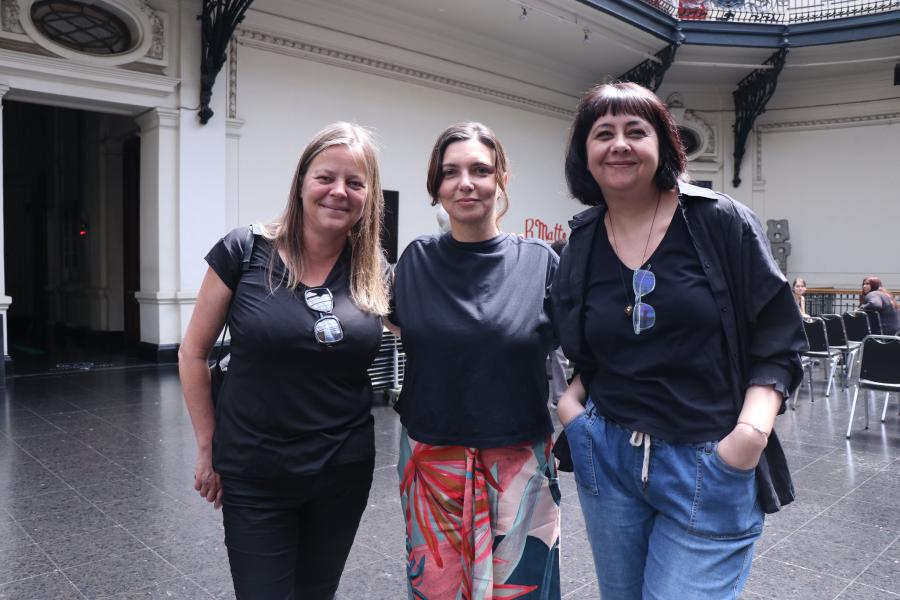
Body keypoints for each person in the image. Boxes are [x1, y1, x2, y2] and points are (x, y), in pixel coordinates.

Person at [552, 82, 806, 599]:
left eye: (635, 131)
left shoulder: (719, 221)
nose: (618, 144)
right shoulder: (581, 239)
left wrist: (749, 436)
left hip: (708, 461)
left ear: (663, 146)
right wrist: (572, 410)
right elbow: (586, 341)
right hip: (609, 454)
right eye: (603, 133)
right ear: (585, 154)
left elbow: (779, 336)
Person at [178, 123, 390, 600]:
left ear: (368, 196)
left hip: (343, 472)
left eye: (355, 183)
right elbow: (192, 353)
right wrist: (208, 448)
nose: (339, 191)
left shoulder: (374, 272)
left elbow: (435, 337)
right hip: (255, 471)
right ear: (301, 183)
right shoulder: (244, 250)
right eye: (326, 178)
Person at [389, 122, 561, 599]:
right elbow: (398, 320)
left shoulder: (540, 261)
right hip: (431, 459)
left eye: (480, 170)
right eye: (451, 172)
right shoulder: (416, 261)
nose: (465, 182)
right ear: (436, 187)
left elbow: (588, 345)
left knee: (520, 589)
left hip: (518, 461)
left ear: (501, 180)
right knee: (438, 589)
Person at [547, 239, 570, 407]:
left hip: (551, 320)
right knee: (560, 359)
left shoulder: (550, 266)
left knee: (558, 359)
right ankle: (559, 396)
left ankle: (559, 396)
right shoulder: (559, 269)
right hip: (557, 320)